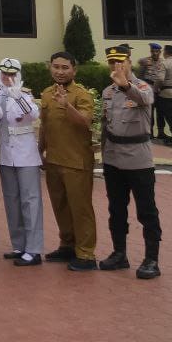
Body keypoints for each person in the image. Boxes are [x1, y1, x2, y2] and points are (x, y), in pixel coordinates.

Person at [100, 46, 162, 279]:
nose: (116, 67)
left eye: (121, 62)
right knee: (116, 209)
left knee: (146, 211)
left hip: (138, 159)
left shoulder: (142, 87)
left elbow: (144, 99)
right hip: (113, 158)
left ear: (129, 62)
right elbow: (105, 124)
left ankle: (151, 259)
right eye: (112, 63)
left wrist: (125, 85)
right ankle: (119, 254)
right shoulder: (108, 92)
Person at [38, 51, 97, 271]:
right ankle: (67, 245)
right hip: (53, 160)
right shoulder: (46, 94)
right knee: (60, 206)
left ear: (74, 70)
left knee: (80, 208)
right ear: (49, 67)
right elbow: (45, 126)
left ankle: (86, 254)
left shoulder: (81, 95)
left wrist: (66, 105)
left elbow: (84, 122)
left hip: (76, 162)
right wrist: (39, 151)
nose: (60, 72)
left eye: (65, 68)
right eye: (56, 67)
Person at [0, 58, 43, 267]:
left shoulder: (26, 95)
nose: (8, 78)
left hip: (25, 155)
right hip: (6, 156)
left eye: (12, 74)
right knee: (12, 200)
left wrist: (19, 98)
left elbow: (34, 115)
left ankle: (33, 249)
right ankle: (19, 245)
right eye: (4, 74)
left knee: (30, 202)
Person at [137, 43, 166, 140]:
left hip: (160, 90)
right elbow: (140, 74)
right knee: (150, 112)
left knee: (161, 111)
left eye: (157, 52)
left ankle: (161, 132)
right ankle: (150, 132)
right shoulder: (145, 61)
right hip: (148, 89)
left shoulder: (163, 62)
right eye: (153, 51)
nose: (155, 53)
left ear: (160, 52)